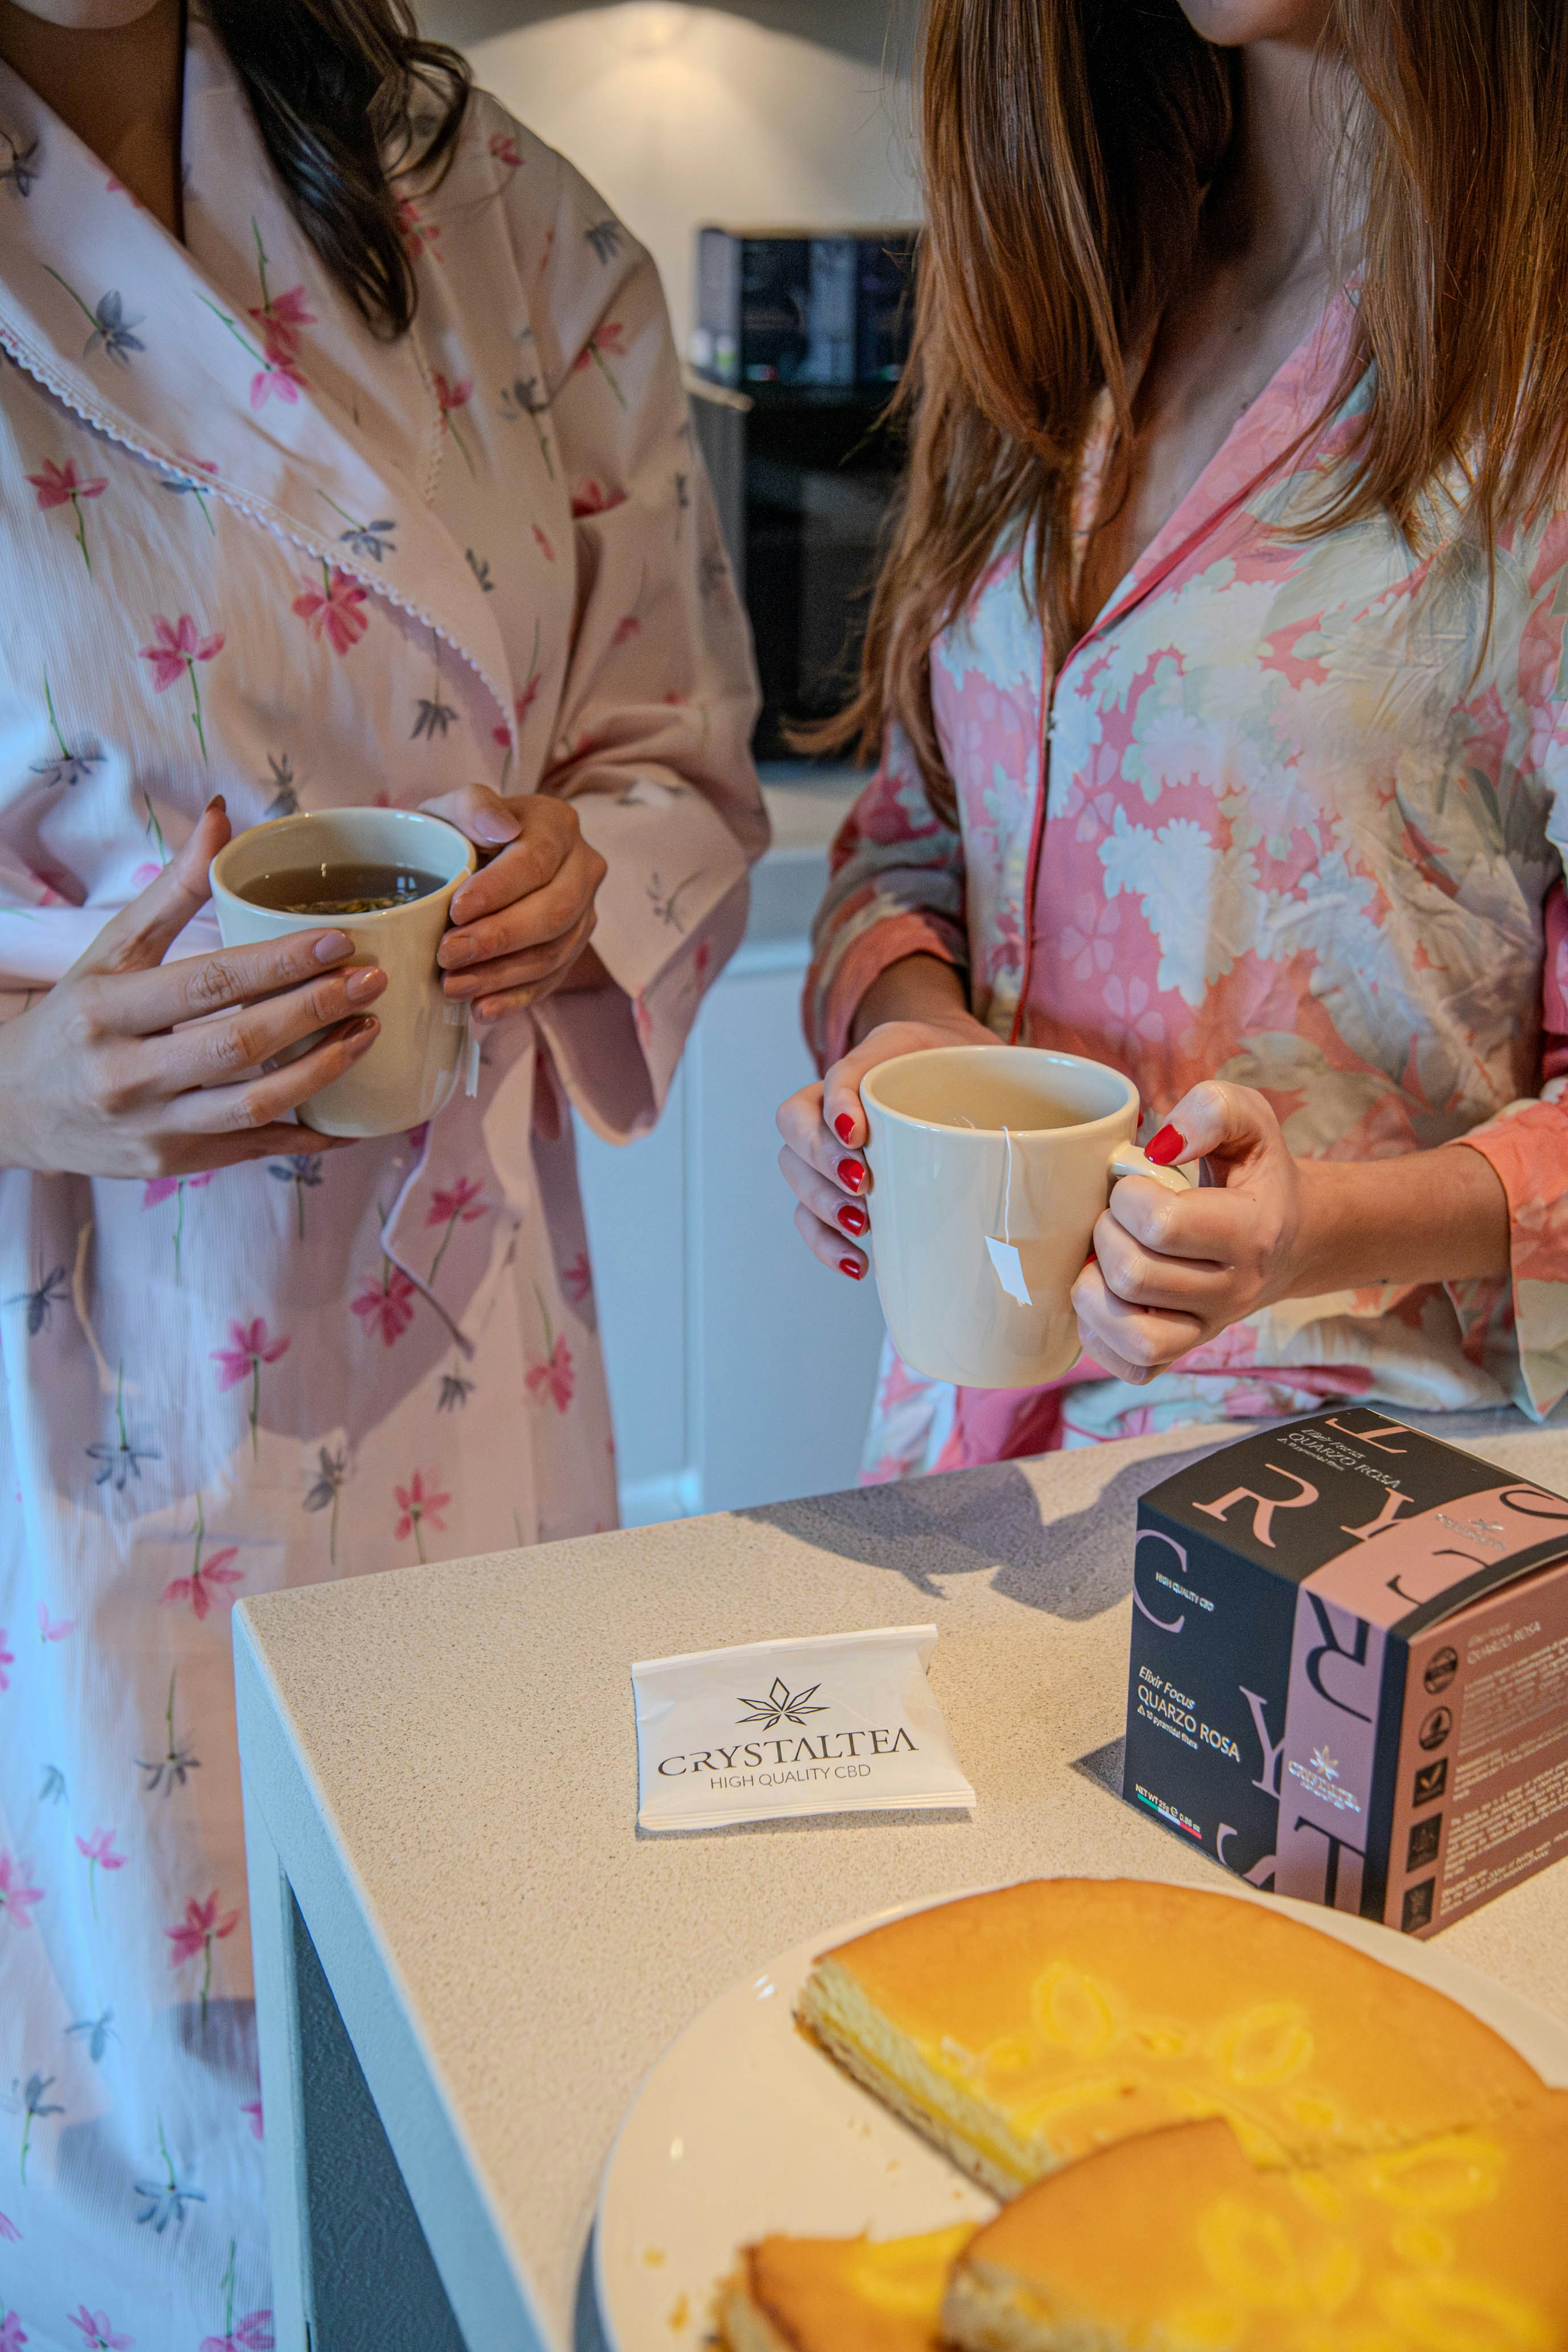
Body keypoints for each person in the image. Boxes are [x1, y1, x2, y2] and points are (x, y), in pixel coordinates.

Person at [0, 0, 764, 2339]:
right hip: (76, 1394)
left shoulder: (496, 211)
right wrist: (26, 1083)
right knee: (151, 2166)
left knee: (463, 2078)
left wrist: (589, 872)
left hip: (468, 1356)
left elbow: (680, 747)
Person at [779, 0, 1568, 1477]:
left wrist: (1313, 1225)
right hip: (964, 1464)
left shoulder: (1537, 400)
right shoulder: (1075, 297)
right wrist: (908, 1046)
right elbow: (914, 838)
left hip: (1350, 1492)